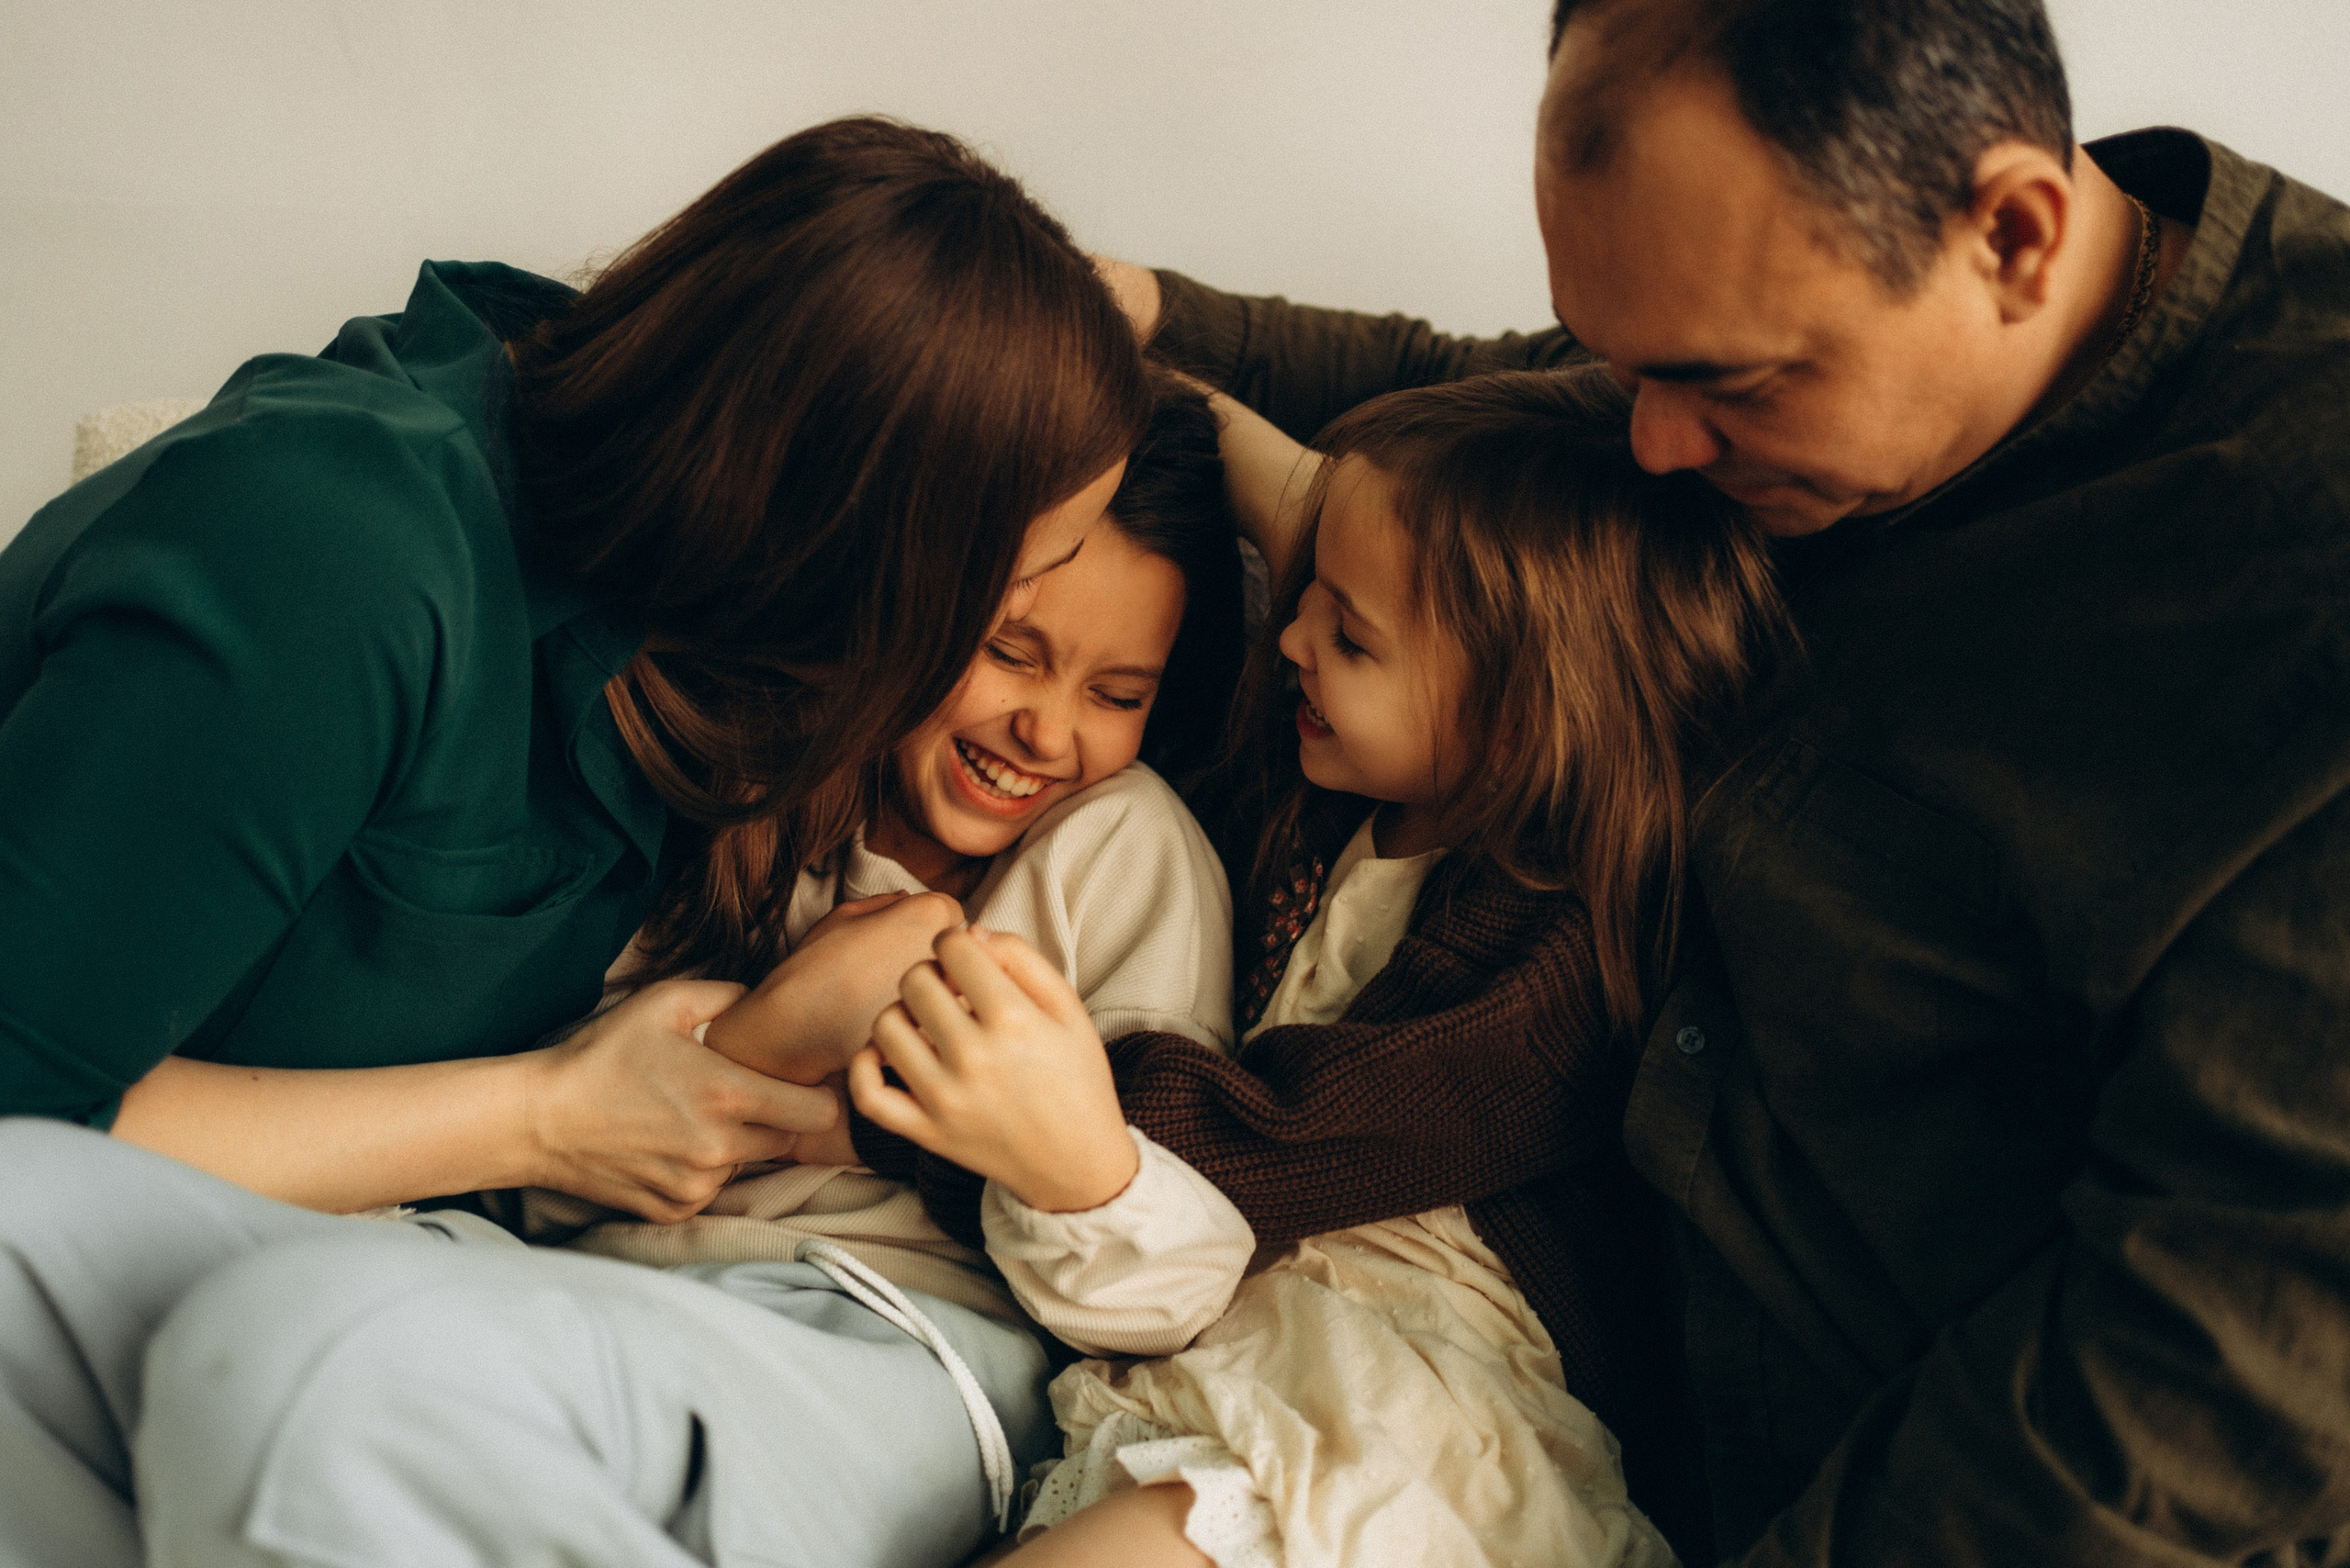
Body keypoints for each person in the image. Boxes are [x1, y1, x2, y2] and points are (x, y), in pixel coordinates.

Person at [1092, 1, 2350, 1562]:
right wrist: (1131, 311)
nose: (1651, 445)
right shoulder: (1761, 353)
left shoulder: (2296, 581)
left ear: (2014, 236)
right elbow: (1493, 407)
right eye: (1624, 365)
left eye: (1724, 385)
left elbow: (2198, 1383)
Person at [0, 117, 1155, 1567]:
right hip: (243, 1226)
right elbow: (26, 1098)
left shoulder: (714, 646)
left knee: (319, 1371)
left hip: (459, 1296)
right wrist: (546, 1113)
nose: (1019, 627)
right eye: (1026, 576)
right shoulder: (341, 548)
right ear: (870, 549)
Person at [847, 371, 1786, 1568]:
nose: (1288, 638)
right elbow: (1309, 510)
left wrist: (950, 1109)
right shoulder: (1326, 793)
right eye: (1306, 596)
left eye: (1347, 635)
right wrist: (1157, 385)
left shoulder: (1551, 945)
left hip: (1427, 1384)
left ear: (1520, 720)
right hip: (1253, 1320)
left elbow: (1279, 1134)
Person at [516, 375, 1255, 1358]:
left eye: (1118, 695)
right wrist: (777, 1030)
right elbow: (532, 1175)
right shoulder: (750, 781)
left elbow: (1160, 1276)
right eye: (1008, 652)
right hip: (581, 1282)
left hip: (891, 1321)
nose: (1046, 731)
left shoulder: (1124, 848)